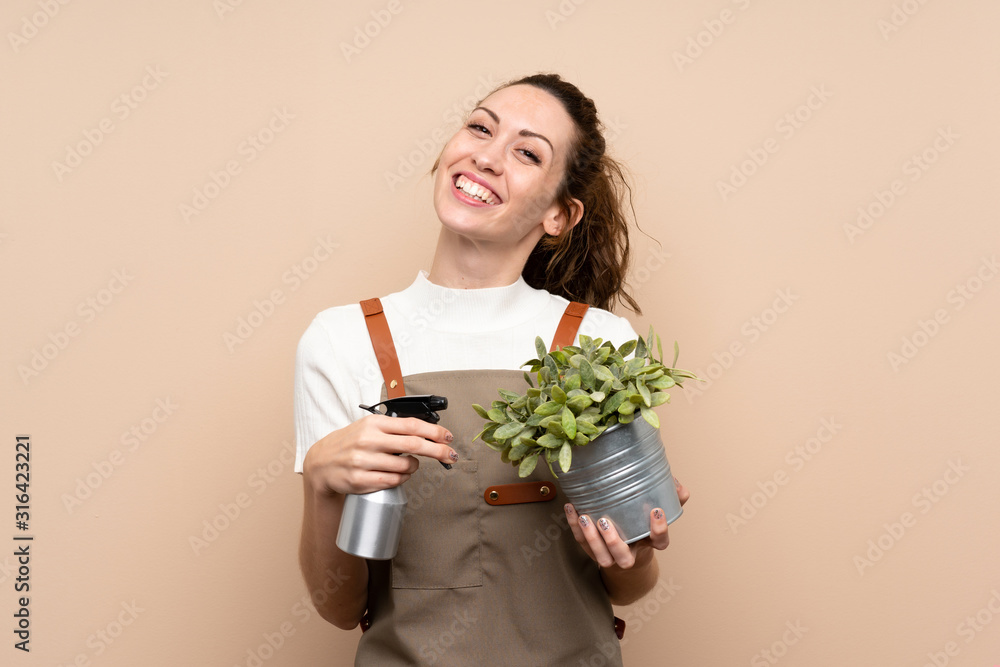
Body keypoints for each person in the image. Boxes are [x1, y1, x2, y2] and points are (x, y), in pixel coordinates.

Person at [294, 72, 689, 666]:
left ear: (559, 214)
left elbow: (629, 588)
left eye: (527, 153)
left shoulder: (599, 345)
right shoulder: (341, 339)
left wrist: (636, 550)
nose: (486, 155)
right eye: (480, 127)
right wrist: (321, 480)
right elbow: (340, 607)